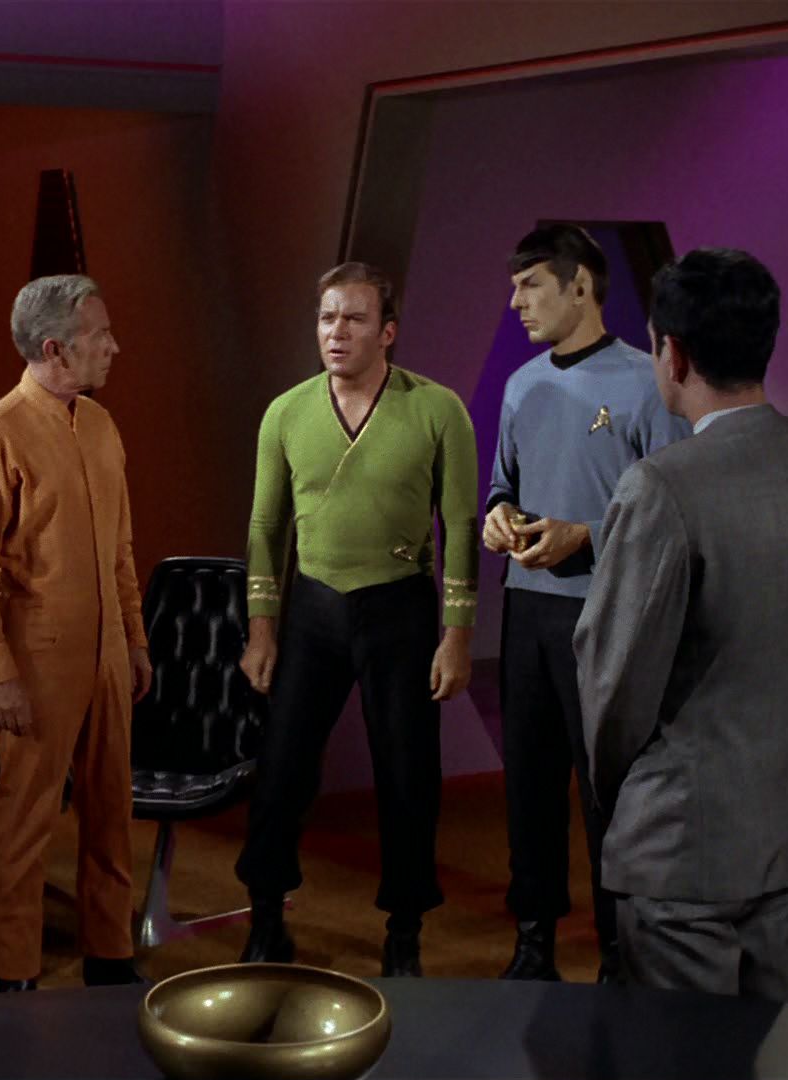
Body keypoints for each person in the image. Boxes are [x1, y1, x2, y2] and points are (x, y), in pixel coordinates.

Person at [574, 248, 788, 1002]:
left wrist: (620, 799)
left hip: (679, 846)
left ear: (672, 354)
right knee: (780, 1047)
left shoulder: (661, 487)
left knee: (683, 1054)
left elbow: (614, 683)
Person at [235, 261, 478, 977]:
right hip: (313, 607)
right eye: (327, 318)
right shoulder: (286, 412)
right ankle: (267, 918)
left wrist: (457, 637)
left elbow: (461, 527)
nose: (336, 332)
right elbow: (264, 527)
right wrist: (262, 627)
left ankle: (404, 931)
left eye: (354, 318)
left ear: (388, 332)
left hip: (399, 607)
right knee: (280, 771)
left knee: (407, 774)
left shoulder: (437, 410)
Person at [481, 224, 690, 982]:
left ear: (579, 286)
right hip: (527, 612)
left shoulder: (644, 383)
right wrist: (497, 516)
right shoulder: (521, 385)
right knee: (528, 784)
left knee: (610, 792)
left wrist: (588, 536)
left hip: (606, 616)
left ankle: (617, 951)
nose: (516, 303)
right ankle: (533, 939)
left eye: (530, 285)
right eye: (514, 287)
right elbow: (503, 484)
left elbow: (676, 514)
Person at [0, 275, 151, 992]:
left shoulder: (99, 425)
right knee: (26, 822)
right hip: (37, 659)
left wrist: (134, 639)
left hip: (107, 655)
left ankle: (109, 954)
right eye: (101, 336)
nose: (114, 347)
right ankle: (15, 974)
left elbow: (120, 549)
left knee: (112, 810)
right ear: (55, 349)